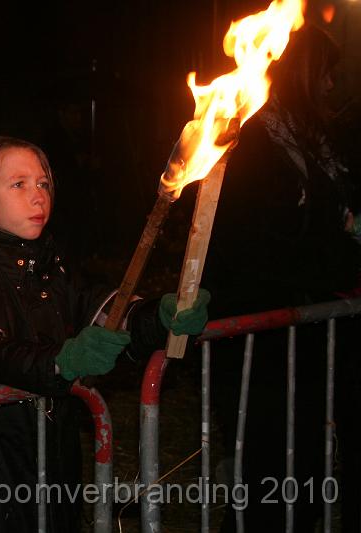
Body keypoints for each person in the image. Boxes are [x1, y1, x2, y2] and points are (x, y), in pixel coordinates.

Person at [0, 135, 210, 532]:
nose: (38, 196)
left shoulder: (53, 267)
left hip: (54, 461)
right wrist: (57, 363)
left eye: (42, 183)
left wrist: (157, 317)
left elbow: (108, 312)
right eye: (18, 184)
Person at [204, 24, 361, 532]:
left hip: (309, 335)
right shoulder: (252, 139)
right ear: (298, 70)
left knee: (307, 470)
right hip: (261, 338)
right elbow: (256, 241)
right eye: (325, 73)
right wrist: (340, 262)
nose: (332, 86)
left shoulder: (315, 137)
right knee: (267, 473)